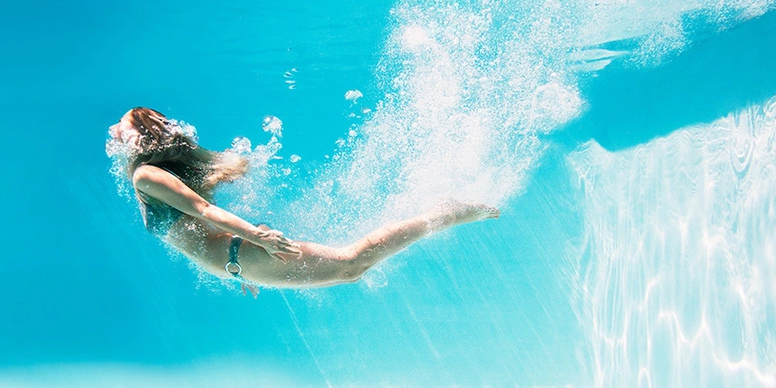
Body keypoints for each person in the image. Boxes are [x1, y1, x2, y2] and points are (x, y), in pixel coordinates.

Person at [106, 107, 500, 296]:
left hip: (242, 254)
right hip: (238, 260)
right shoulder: (155, 174)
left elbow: (205, 212)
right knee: (352, 268)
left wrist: (255, 244)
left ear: (142, 134)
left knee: (352, 264)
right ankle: (439, 214)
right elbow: (198, 225)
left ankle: (441, 214)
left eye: (121, 125)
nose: (112, 130)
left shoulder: (145, 175)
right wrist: (241, 269)